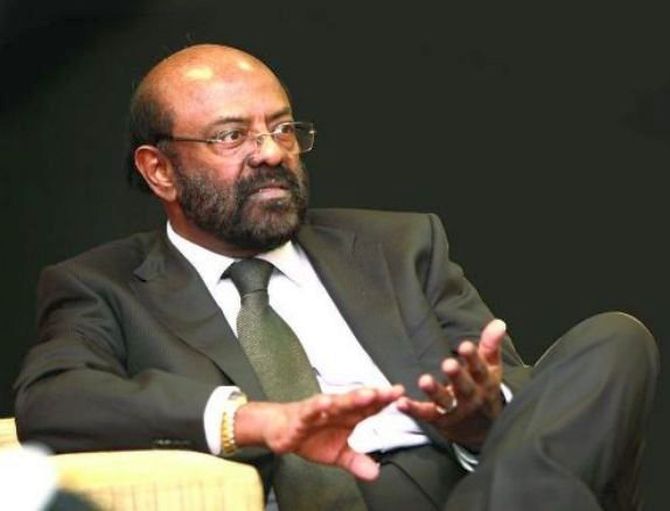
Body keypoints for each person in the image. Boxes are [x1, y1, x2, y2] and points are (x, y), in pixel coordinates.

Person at [14, 44, 659, 511]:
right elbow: (54, 402)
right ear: (160, 170)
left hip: (471, 493)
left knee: (615, 340)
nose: (272, 152)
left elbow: (521, 401)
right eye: (232, 136)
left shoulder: (399, 245)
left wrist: (480, 419)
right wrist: (254, 421)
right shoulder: (103, 286)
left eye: (282, 128)